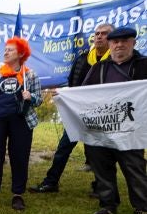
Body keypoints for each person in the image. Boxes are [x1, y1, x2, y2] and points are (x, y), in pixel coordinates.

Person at [30, 23, 113, 193]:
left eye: (104, 34)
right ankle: (51, 182)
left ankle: (100, 186)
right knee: (63, 148)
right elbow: (72, 81)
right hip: (78, 113)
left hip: (101, 115)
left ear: (112, 38)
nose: (99, 36)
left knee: (99, 153)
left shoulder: (115, 62)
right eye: (97, 33)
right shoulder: (83, 58)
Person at [81, 26, 147, 214]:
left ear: (133, 43)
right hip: (102, 130)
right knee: (102, 168)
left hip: (131, 130)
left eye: (124, 41)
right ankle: (108, 204)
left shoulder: (144, 65)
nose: (119, 45)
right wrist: (65, 96)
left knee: (134, 168)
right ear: (109, 45)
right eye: (115, 42)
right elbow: (83, 93)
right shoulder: (99, 68)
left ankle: (142, 208)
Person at [0, 37, 43, 211]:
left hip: (21, 123)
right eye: (5, 49)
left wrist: (32, 97)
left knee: (20, 158)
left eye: (10, 50)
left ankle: (18, 195)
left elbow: (39, 101)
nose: (6, 52)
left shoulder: (29, 75)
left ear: (21, 53)